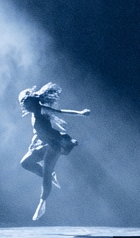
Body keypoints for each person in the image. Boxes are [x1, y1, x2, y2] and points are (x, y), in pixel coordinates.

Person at [17, 83, 89, 221]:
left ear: (32, 103)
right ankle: (51, 175)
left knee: (46, 174)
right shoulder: (33, 115)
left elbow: (61, 112)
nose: (25, 107)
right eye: (24, 105)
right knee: (25, 163)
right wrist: (33, 143)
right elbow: (39, 131)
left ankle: (42, 203)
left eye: (26, 104)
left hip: (55, 144)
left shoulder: (43, 110)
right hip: (44, 144)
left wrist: (80, 113)